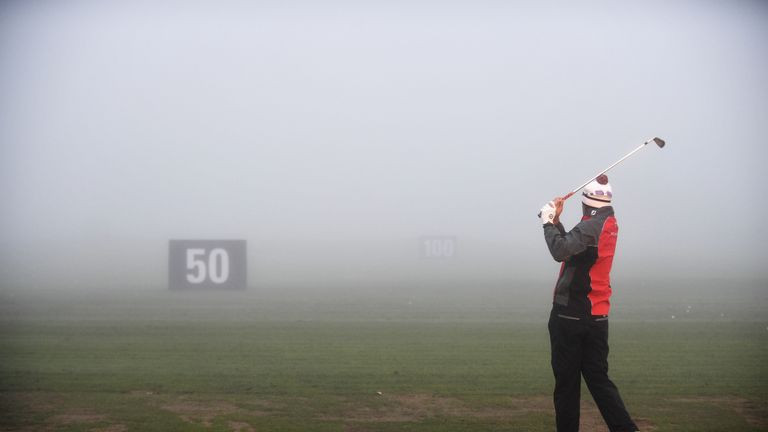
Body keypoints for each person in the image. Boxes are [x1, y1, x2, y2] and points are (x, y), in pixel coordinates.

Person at [539, 175, 638, 432]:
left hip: (569, 316)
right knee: (599, 380)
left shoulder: (590, 228)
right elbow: (572, 249)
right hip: (597, 318)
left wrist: (548, 222)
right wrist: (558, 222)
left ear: (584, 203)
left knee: (567, 386)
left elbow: (560, 251)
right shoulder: (608, 223)